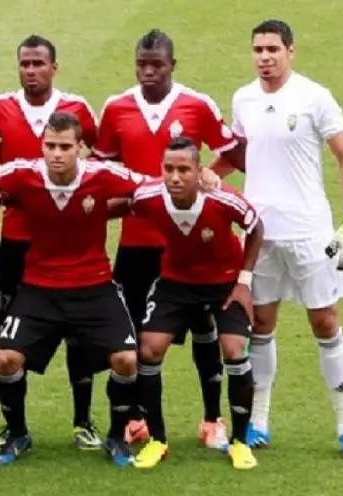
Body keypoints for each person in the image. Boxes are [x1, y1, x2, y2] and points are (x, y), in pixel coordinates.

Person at [211, 19, 343, 461]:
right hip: (259, 234)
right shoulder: (243, 98)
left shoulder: (315, 97)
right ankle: (258, 422)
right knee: (261, 324)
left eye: (273, 49)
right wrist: (207, 173)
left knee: (326, 322)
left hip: (311, 232)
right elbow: (241, 154)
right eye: (258, 49)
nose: (264, 57)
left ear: (290, 51)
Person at [93, 28, 245, 449]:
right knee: (136, 335)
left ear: (171, 66)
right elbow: (101, 166)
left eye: (156, 64)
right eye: (142, 64)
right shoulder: (116, 108)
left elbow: (234, 151)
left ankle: (211, 419)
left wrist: (211, 173)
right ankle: (137, 418)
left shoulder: (197, 104)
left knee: (204, 330)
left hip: (187, 241)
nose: (148, 71)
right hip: (136, 241)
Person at [0, 112, 152, 467]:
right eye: (50, 146)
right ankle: (18, 434)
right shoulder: (23, 173)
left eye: (65, 147)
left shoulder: (102, 174)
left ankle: (116, 437)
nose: (57, 154)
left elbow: (151, 186)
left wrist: (203, 178)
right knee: (5, 359)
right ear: (41, 146)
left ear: (80, 148)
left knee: (127, 360)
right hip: (38, 288)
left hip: (94, 286)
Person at [0, 34, 101, 451]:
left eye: (38, 63)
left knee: (78, 333)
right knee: (8, 335)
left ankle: (83, 421)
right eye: (25, 63)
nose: (31, 70)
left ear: (55, 67)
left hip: (69, 242)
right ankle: (14, 425)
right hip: (16, 241)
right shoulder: (0, 109)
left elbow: (95, 160)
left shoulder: (78, 109)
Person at [128, 137, 262, 470]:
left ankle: (240, 442)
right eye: (169, 169)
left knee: (234, 350)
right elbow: (120, 202)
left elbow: (255, 226)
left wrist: (244, 282)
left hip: (225, 284)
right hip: (176, 283)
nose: (175, 177)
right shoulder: (148, 196)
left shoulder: (221, 198)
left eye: (184, 170)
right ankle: (157, 440)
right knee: (148, 349)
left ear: (199, 171)